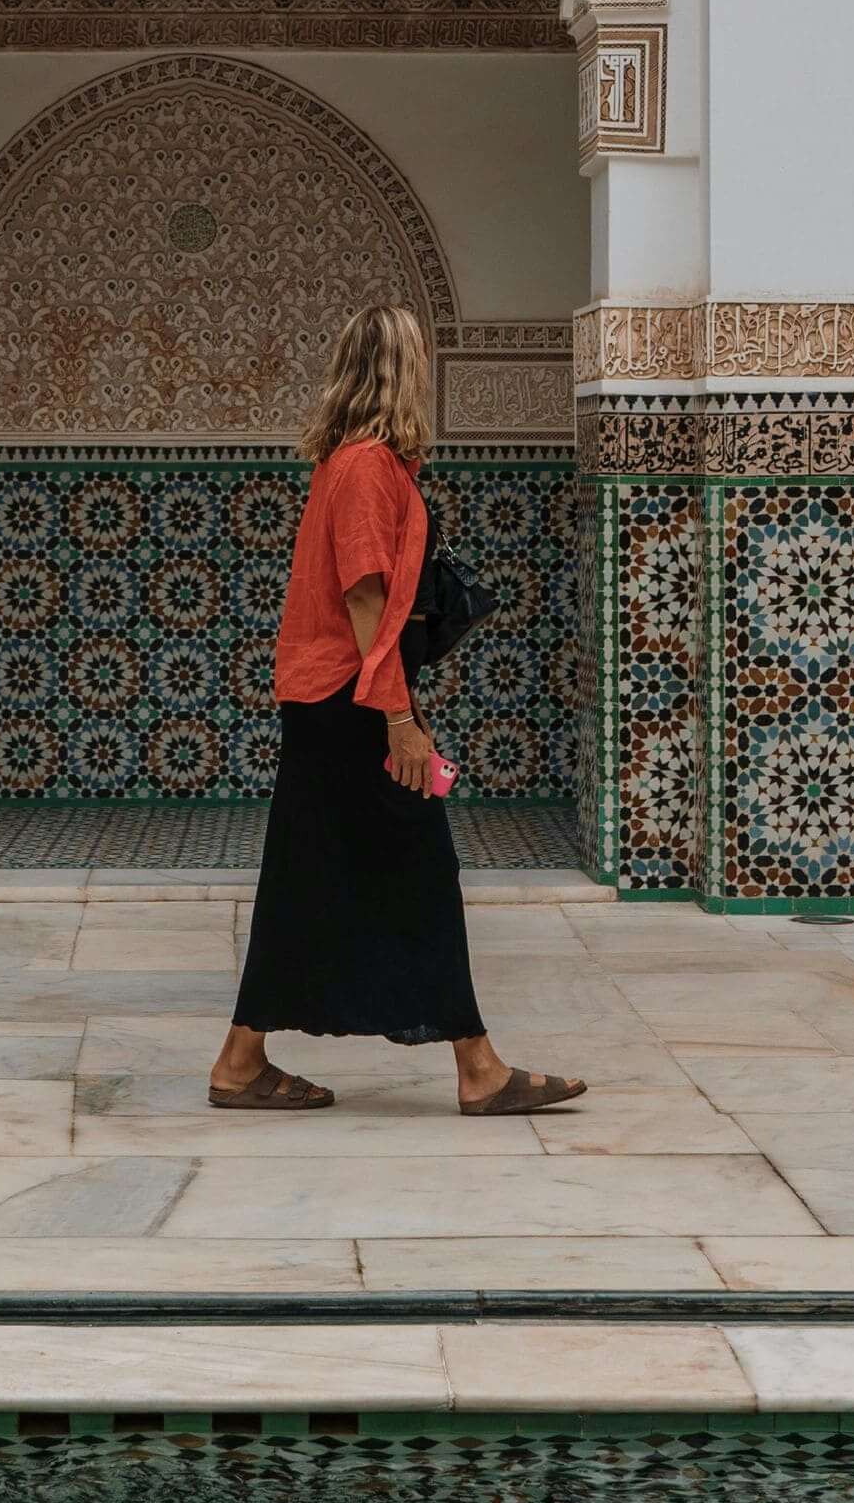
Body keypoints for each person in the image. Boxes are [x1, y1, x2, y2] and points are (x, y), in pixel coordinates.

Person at [210, 299, 587, 1118]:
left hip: (329, 704)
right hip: (350, 706)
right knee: (421, 868)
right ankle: (479, 1069)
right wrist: (400, 719)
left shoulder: (359, 464)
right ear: (403, 371)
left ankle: (241, 1060)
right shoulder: (365, 468)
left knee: (310, 877)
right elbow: (366, 599)